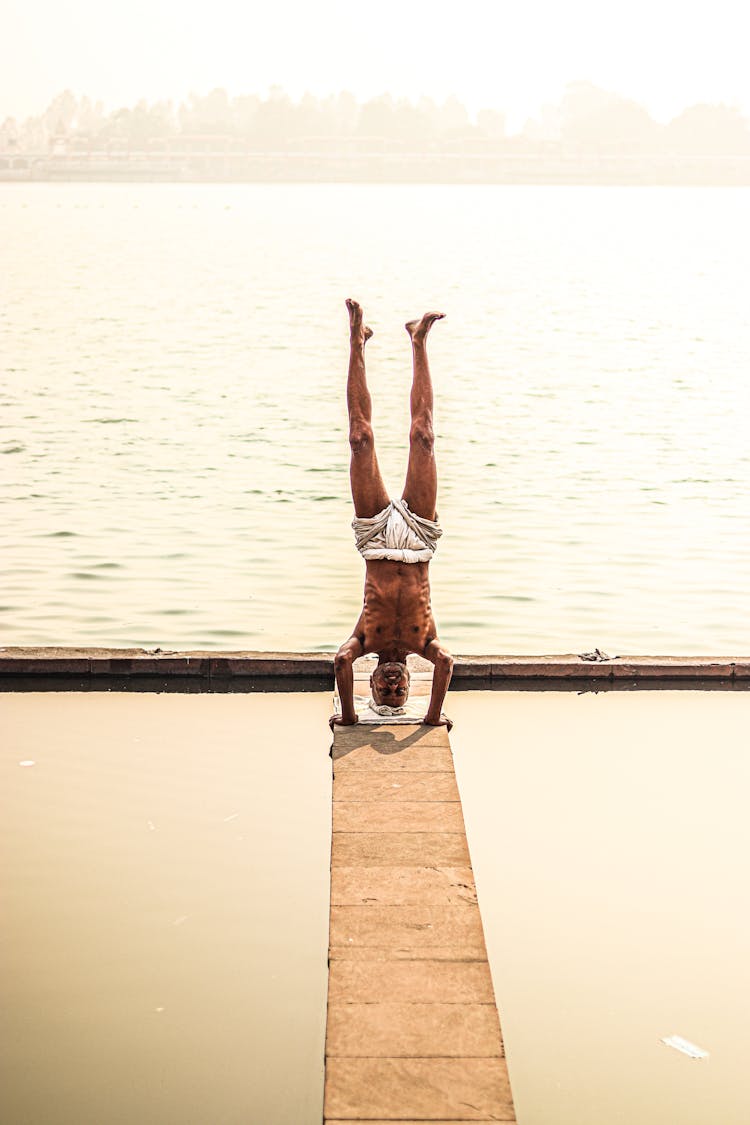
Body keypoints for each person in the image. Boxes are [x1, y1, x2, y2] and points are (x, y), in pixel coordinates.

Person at [331, 298, 454, 729]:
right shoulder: (427, 644)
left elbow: (339, 660)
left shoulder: (363, 641)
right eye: (400, 691)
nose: (392, 687)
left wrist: (348, 718)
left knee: (359, 437)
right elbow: (448, 664)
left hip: (377, 542)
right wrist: (431, 718)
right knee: (424, 436)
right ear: (409, 682)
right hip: (419, 541)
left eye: (385, 691)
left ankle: (356, 342)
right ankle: (418, 341)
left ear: (371, 683)